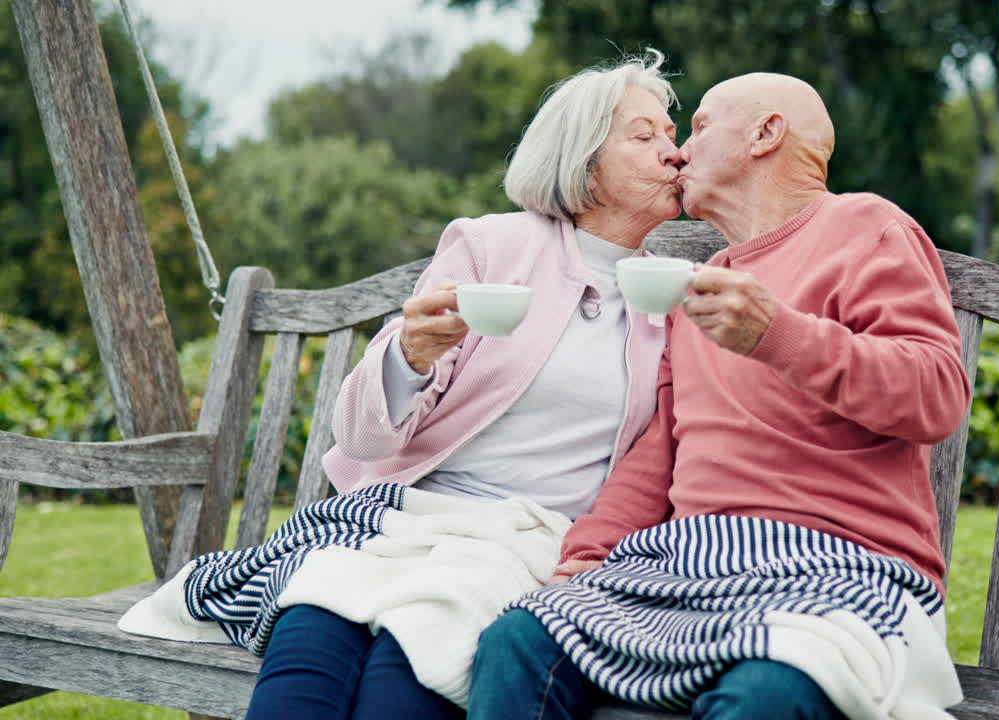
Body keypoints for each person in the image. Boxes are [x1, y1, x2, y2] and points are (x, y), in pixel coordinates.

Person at [468, 73, 971, 719]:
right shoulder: (704, 288)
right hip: (688, 565)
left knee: (766, 691)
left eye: (700, 127)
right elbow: (662, 450)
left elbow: (935, 395)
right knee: (522, 640)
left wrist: (779, 334)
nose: (679, 152)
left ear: (766, 133)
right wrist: (587, 557)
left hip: (837, 565)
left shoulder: (865, 228)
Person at [242, 50, 682, 720]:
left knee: (407, 670)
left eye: (673, 138)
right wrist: (409, 354)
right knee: (309, 645)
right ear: (583, 161)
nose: (673, 154)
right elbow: (360, 437)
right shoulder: (492, 248)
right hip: (401, 519)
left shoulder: (675, 298)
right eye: (644, 136)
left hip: (527, 539)